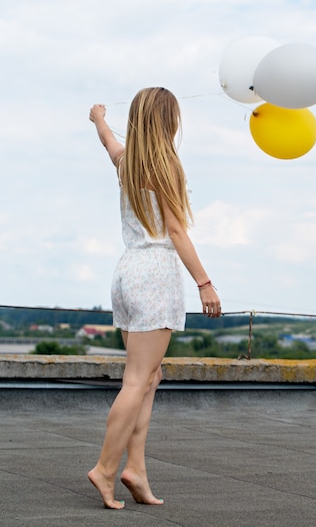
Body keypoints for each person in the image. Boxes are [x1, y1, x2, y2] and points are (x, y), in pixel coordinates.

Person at [87, 87, 221, 509]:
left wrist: (98, 117)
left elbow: (107, 140)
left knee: (149, 378)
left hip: (127, 271)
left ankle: (136, 470)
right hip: (155, 274)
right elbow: (177, 233)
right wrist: (204, 283)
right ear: (169, 122)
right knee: (137, 380)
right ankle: (106, 468)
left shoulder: (125, 161)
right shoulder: (166, 167)